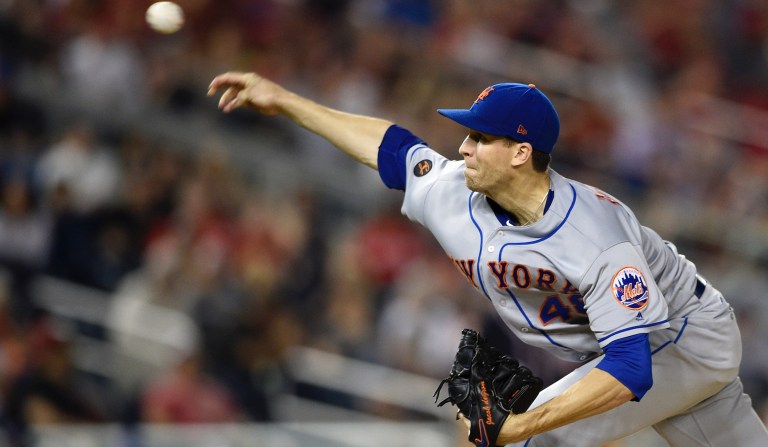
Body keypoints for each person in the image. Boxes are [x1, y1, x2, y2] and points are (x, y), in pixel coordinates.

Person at [207, 72, 768, 446]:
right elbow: (391, 146)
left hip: (681, 339)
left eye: (479, 138)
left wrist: (521, 424)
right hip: (631, 347)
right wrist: (284, 101)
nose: (463, 147)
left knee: (536, 441)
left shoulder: (598, 237)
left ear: (522, 152)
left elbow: (630, 369)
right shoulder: (456, 192)